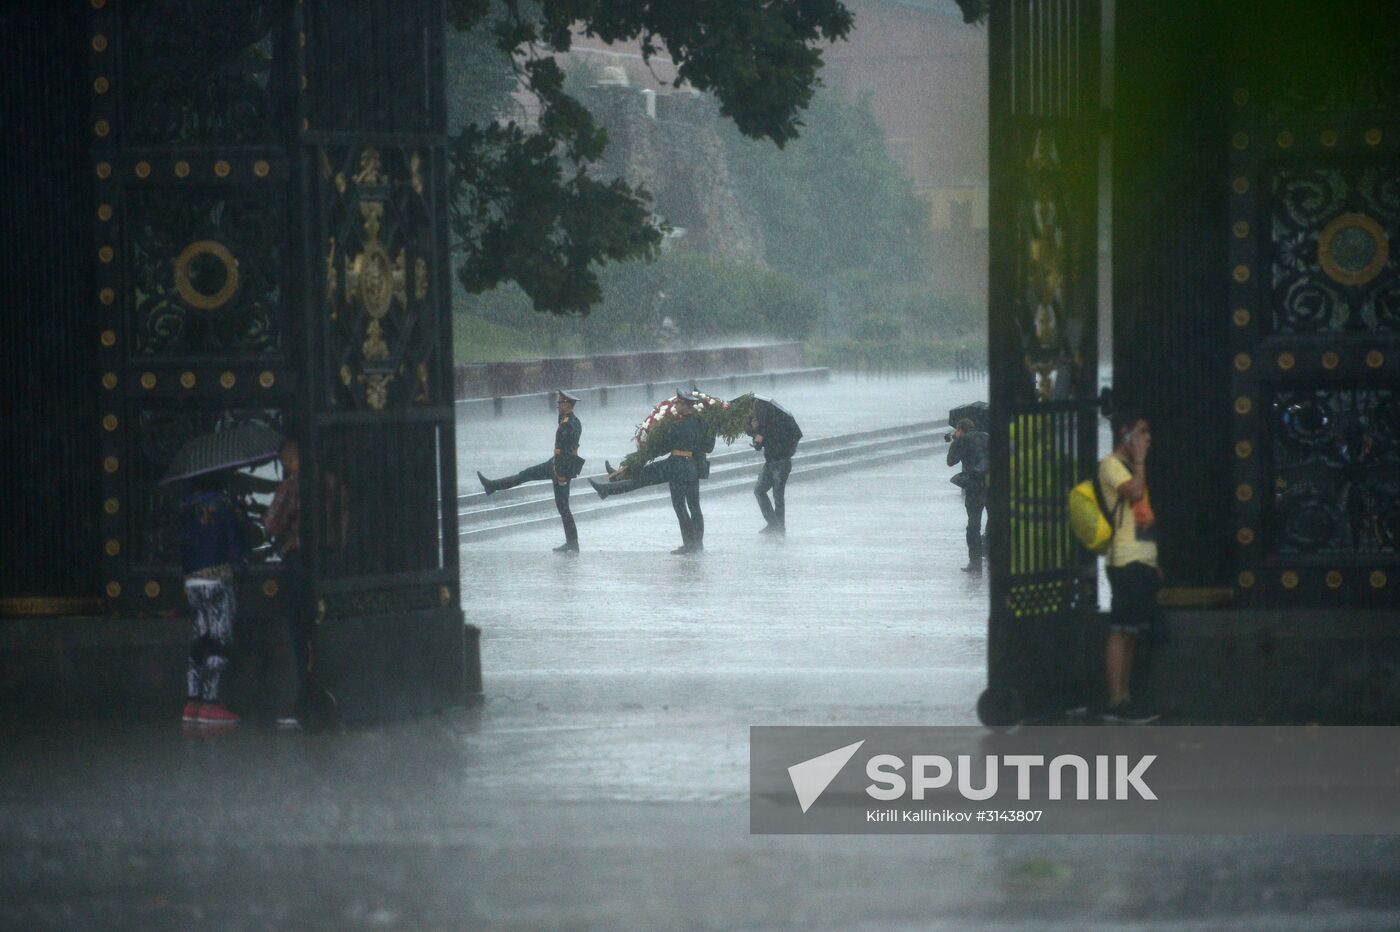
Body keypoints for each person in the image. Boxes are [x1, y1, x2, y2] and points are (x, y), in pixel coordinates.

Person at [264, 437, 347, 728]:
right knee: (321, 628)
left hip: (298, 565)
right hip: (327, 565)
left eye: (286, 462)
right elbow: (342, 520)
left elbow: (271, 525)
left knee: (299, 632)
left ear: (290, 460)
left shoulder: (290, 487)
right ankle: (331, 690)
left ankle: (306, 697)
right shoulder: (331, 483)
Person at [1098, 409, 1161, 724]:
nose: (1146, 439)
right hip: (1124, 558)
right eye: (1141, 432)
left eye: (1148, 433)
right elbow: (1134, 493)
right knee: (1121, 628)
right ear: (1125, 435)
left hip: (1143, 556)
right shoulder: (1112, 465)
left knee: (1133, 630)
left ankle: (1126, 695)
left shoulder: (1131, 468)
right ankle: (1116, 697)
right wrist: (1139, 460)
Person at [589, 389, 707, 554]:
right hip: (691, 469)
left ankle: (690, 545)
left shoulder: (676, 425)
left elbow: (661, 448)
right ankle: (696, 544)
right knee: (694, 507)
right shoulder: (701, 423)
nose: (675, 405)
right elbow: (708, 446)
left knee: (676, 503)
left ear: (685, 405)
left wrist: (645, 451)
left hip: (676, 467)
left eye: (678, 403)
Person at [478, 389, 585, 553]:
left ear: (568, 404)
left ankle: (573, 543)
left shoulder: (568, 425)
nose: (557, 405)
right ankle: (492, 486)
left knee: (562, 505)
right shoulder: (572, 421)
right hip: (558, 464)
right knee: (529, 478)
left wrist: (562, 475)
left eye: (560, 402)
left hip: (559, 468)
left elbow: (567, 451)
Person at [179, 474, 245, 725]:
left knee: (200, 639)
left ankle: (192, 701)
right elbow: (233, 544)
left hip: (192, 580)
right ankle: (211, 702)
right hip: (217, 578)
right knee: (220, 639)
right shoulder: (223, 506)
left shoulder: (185, 508)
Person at [749, 402, 802, 535]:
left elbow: (772, 443)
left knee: (777, 495)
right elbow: (758, 446)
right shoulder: (765, 425)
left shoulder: (781, 425)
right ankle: (774, 524)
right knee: (759, 490)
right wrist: (756, 431)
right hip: (770, 463)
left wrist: (762, 436)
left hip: (781, 463)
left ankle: (778, 527)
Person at [946, 417, 990, 574]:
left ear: (960, 430)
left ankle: (975, 562)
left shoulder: (962, 440)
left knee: (973, 525)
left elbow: (951, 461)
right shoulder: (986, 436)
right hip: (991, 485)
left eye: (956, 431)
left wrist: (954, 442)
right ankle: (990, 550)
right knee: (994, 520)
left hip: (974, 487)